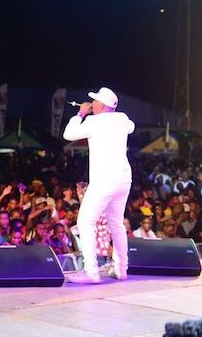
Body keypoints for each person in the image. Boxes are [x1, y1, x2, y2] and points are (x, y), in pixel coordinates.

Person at [63, 87, 135, 284]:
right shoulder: (122, 119)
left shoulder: (93, 122)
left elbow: (68, 134)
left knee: (85, 222)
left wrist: (81, 114)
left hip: (104, 180)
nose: (92, 104)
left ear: (102, 106)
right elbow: (131, 126)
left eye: (95, 102)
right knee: (116, 224)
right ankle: (121, 269)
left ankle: (91, 272)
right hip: (123, 179)